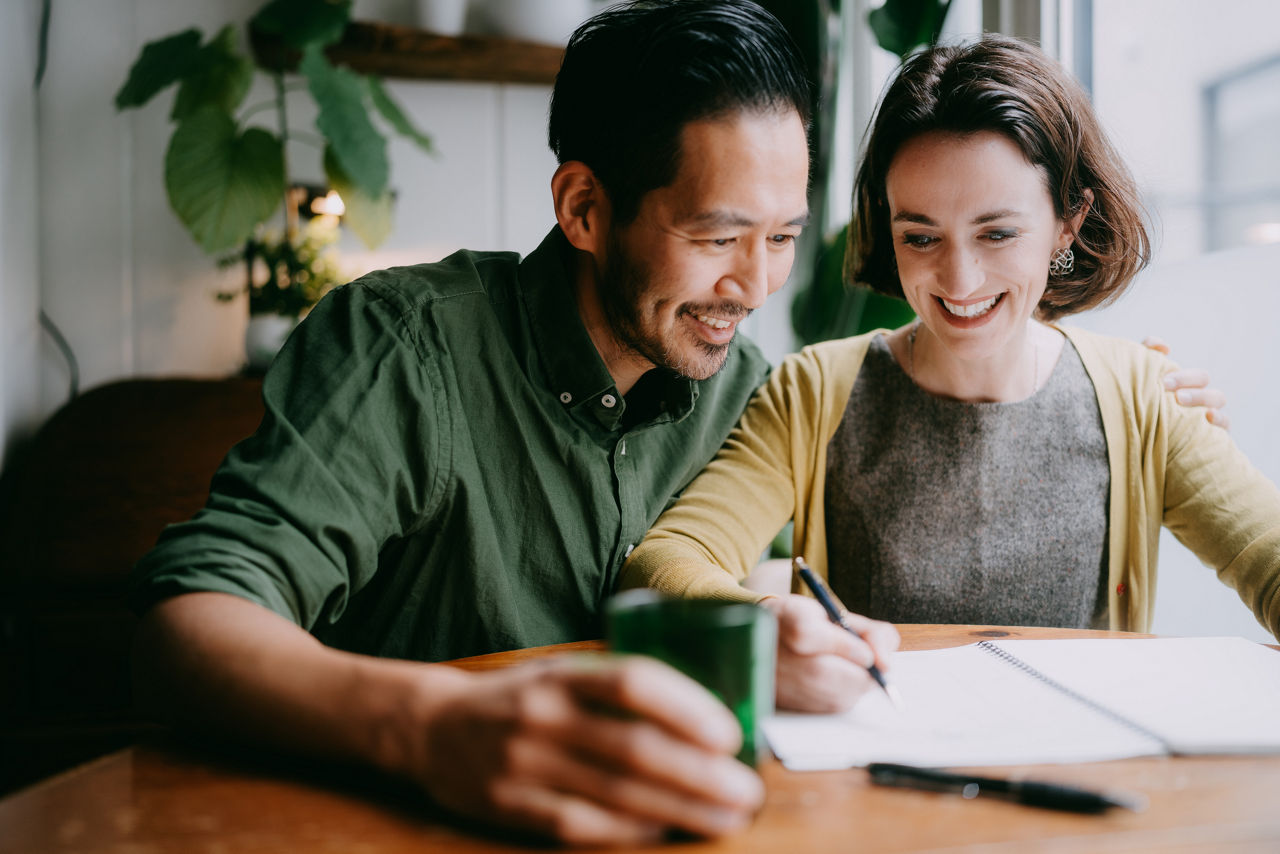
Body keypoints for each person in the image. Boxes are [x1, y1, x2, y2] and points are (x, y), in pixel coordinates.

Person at [129, 5, 1226, 844]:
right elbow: (190, 623)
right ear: (584, 209)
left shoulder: (741, 379)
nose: (751, 284)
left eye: (784, 236)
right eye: (716, 236)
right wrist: (429, 724)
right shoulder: (406, 345)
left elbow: (755, 584)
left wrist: (1118, 398)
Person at [620, 36, 1280, 652]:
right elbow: (663, 565)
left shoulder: (1143, 397)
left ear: (1067, 224)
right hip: (876, 768)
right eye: (921, 237)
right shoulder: (814, 392)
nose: (959, 281)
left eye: (997, 234)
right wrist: (770, 626)